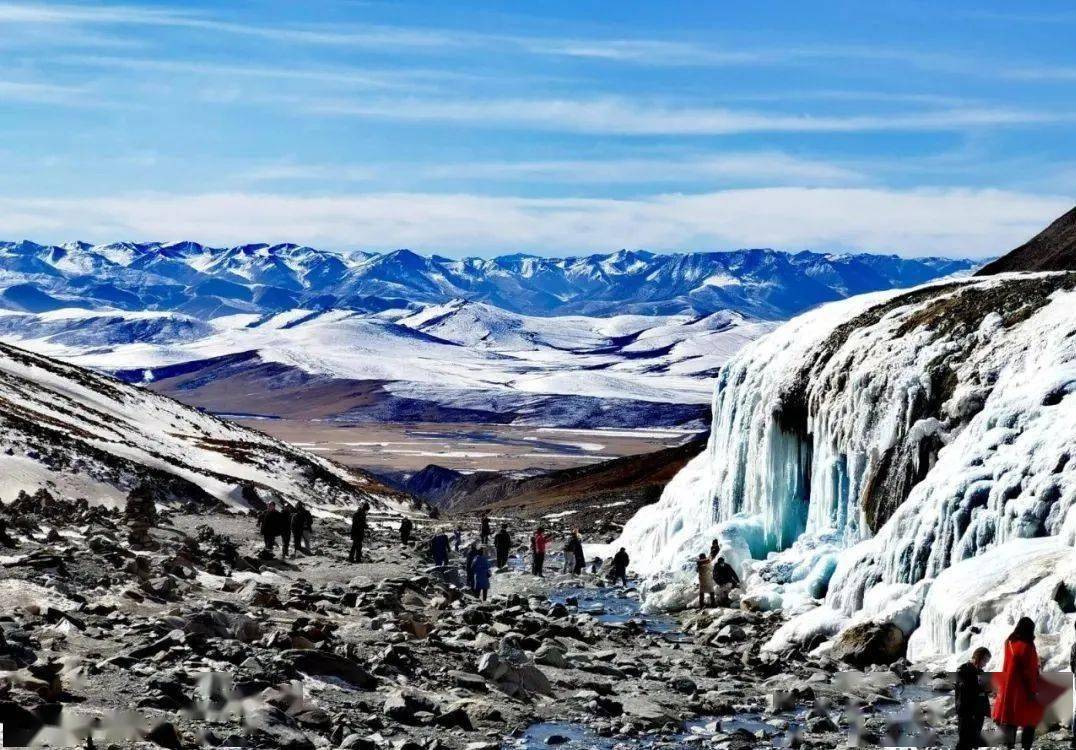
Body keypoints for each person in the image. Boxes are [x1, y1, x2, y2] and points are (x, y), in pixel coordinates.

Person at [993, 617, 1043, 750]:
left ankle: (1009, 746)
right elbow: (1030, 671)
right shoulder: (1028, 646)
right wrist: (1033, 691)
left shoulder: (1008, 642)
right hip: (1022, 690)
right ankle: (1026, 748)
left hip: (1008, 687)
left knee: (1010, 719)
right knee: (1030, 721)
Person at [955, 647, 992, 750]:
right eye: (984, 660)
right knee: (964, 741)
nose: (985, 663)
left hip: (978, 711)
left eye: (987, 661)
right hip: (966, 711)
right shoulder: (963, 669)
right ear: (977, 657)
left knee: (974, 741)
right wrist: (981, 689)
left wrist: (988, 688)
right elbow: (965, 690)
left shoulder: (981, 671)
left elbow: (984, 689)